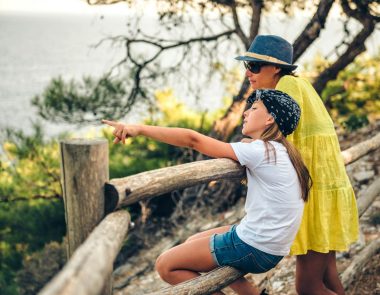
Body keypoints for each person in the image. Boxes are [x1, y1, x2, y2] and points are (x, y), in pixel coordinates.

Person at [102, 88, 312, 295]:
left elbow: (193, 140)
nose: (246, 113)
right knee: (192, 242)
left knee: (165, 265)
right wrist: (248, 141)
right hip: (272, 248)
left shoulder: (260, 151)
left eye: (254, 108)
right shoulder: (279, 151)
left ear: (270, 120)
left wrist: (139, 129)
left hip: (254, 247)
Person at [235, 35, 359, 295]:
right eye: (247, 65)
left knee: (308, 287)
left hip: (316, 194)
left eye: (255, 66)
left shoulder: (287, 86)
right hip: (325, 191)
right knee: (327, 277)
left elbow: (275, 136)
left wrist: (247, 145)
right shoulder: (297, 85)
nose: (248, 72)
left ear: (276, 68)